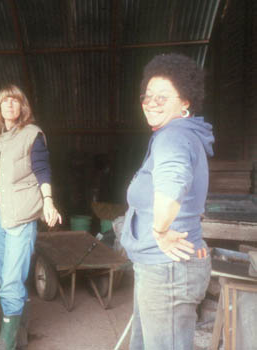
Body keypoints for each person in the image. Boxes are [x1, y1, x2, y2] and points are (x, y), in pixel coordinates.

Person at [120, 53, 214, 349]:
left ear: (185, 102)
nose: (151, 103)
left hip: (168, 269)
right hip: (159, 267)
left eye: (162, 97)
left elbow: (172, 184)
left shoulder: (173, 137)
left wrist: (159, 231)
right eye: (147, 96)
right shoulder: (177, 134)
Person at [0, 84, 62, 350]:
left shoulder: (32, 134)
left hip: (20, 215)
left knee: (10, 280)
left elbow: (42, 170)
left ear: (23, 107)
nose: (9, 105)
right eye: (4, 101)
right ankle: (17, 337)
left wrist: (49, 202)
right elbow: (6, 173)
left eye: (15, 101)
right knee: (4, 278)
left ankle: (6, 344)